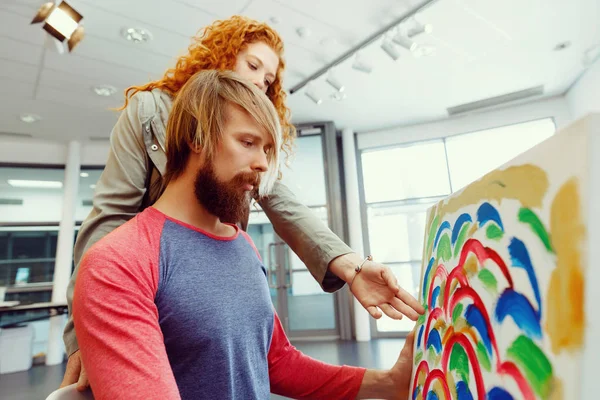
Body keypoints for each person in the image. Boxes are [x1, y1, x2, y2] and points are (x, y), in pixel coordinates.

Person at [61, 15, 424, 390]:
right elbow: (110, 217)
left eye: (267, 82)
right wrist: (85, 334)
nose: (258, 82)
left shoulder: (242, 243)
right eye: (252, 66)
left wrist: (348, 262)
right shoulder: (149, 114)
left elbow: (277, 362)